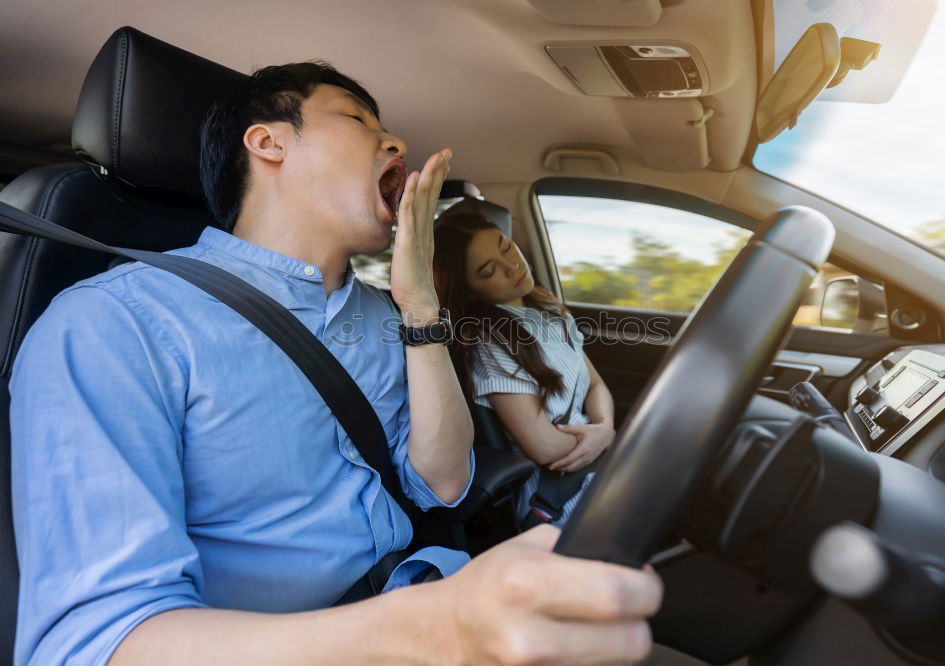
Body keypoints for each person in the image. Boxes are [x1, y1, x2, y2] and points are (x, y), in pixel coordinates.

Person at [10, 62, 662, 664]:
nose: (395, 143)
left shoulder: (390, 315)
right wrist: (436, 629)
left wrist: (420, 312)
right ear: (268, 143)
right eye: (358, 120)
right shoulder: (114, 325)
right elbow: (93, 645)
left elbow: (443, 486)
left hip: (424, 588)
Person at [433, 214, 616, 528]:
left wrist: (605, 427)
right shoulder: (488, 345)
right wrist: (599, 441)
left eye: (506, 248)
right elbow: (543, 448)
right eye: (488, 271)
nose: (511, 266)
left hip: (593, 457)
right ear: (471, 291)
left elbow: (595, 384)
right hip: (557, 489)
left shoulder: (546, 308)